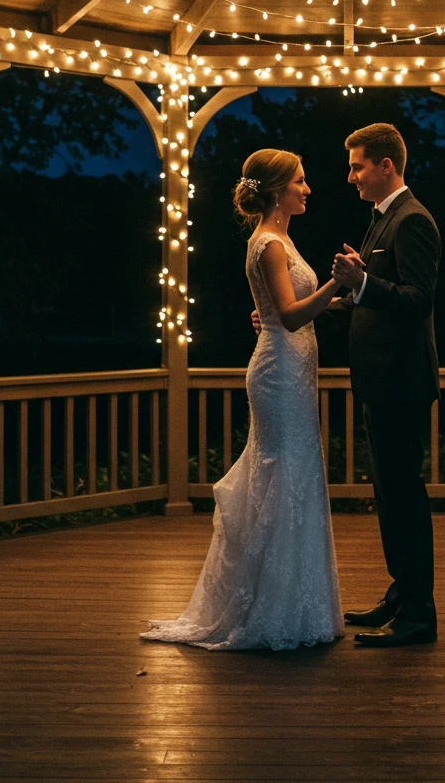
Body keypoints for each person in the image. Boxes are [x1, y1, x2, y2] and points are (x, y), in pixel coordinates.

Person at [141, 149, 343, 650]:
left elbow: (281, 310)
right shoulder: (270, 244)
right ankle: (270, 608)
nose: (307, 189)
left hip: (290, 370)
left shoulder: (278, 240)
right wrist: (340, 281)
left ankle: (293, 602)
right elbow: (292, 316)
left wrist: (334, 301)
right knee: (281, 475)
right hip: (279, 373)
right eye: (300, 181)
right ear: (277, 190)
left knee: (292, 474)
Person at [328, 123, 441, 647]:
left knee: (404, 496)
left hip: (402, 381)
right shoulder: (381, 219)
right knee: (389, 494)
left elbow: (417, 300)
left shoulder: (413, 221)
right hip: (380, 380)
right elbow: (365, 301)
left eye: (357, 166)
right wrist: (308, 313)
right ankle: (401, 592)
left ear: (385, 166)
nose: (351, 176)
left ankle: (419, 612)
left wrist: (363, 282)